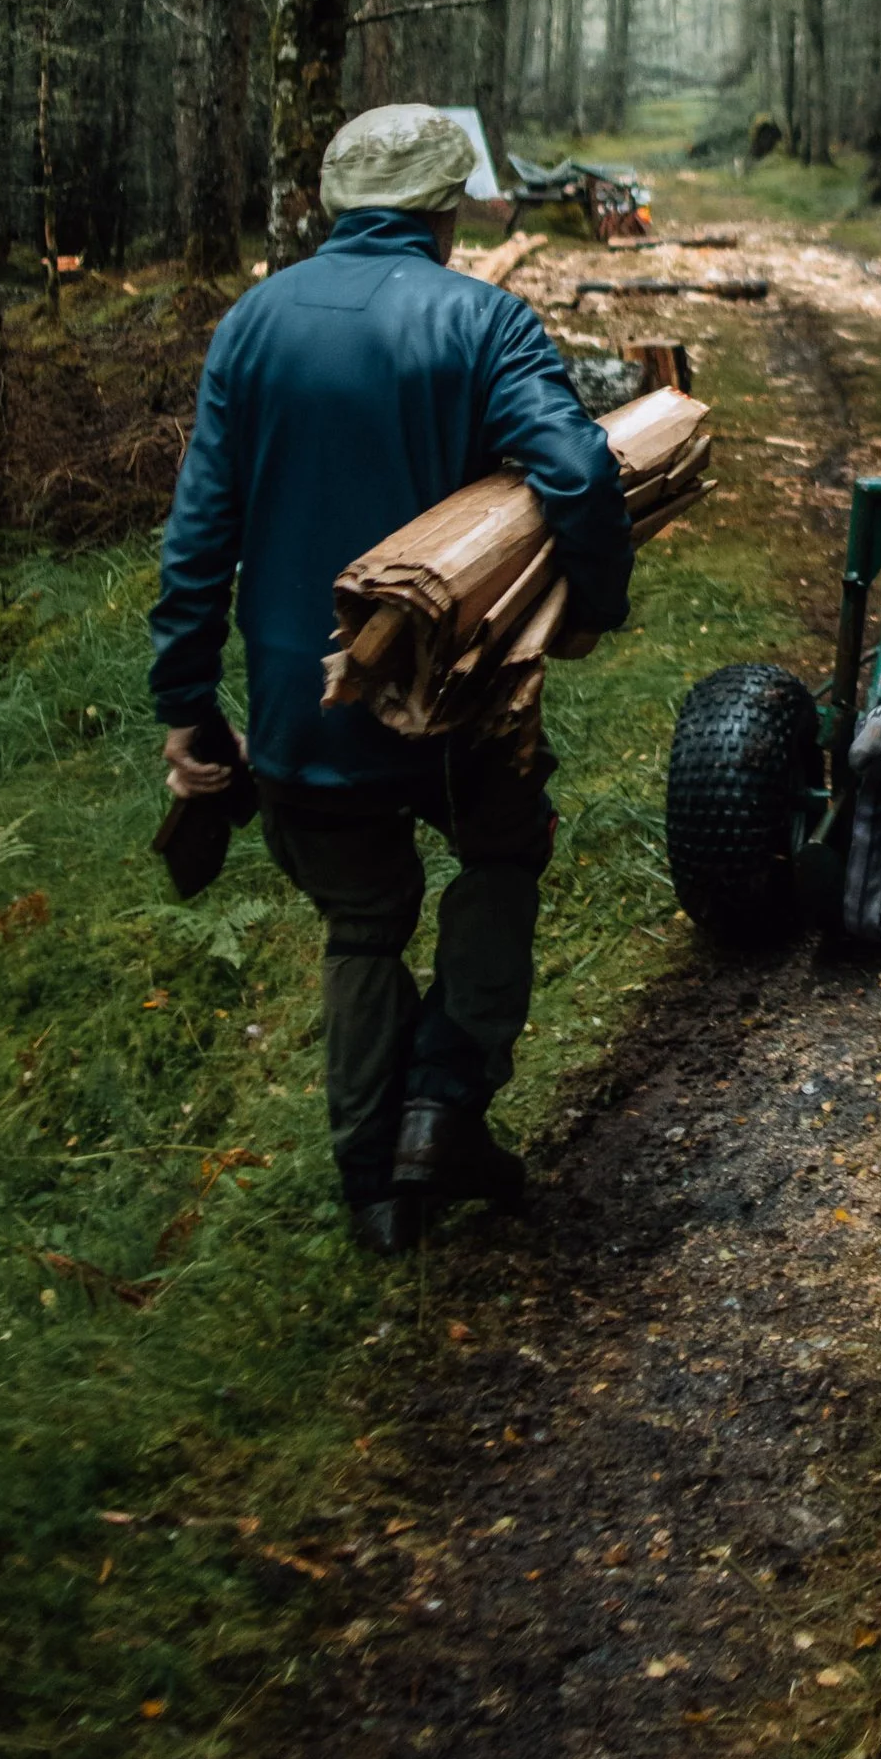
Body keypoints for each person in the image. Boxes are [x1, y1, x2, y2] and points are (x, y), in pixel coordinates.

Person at [149, 104, 635, 1253]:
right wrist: (594, 607)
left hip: (296, 705)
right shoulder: (482, 318)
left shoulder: (252, 324)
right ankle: (443, 1100)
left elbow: (198, 529)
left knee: (362, 922)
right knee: (501, 852)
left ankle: (377, 1187)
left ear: (336, 200)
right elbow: (575, 466)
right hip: (455, 701)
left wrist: (185, 700)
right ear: (443, 207)